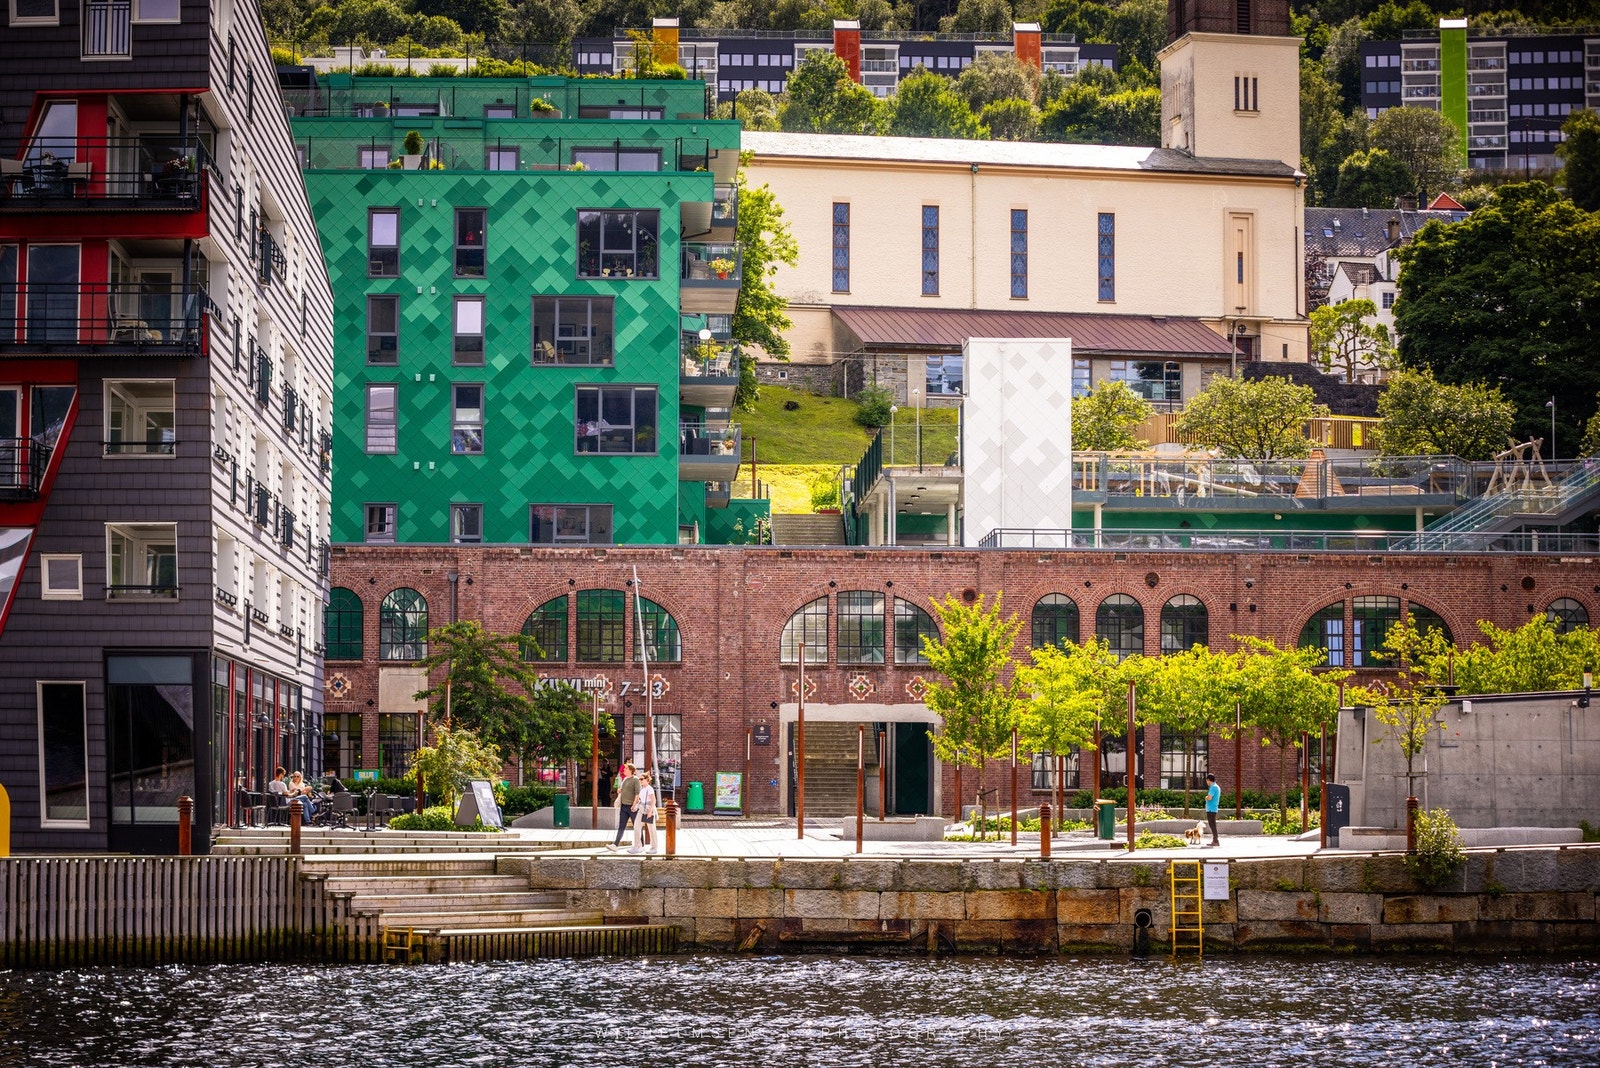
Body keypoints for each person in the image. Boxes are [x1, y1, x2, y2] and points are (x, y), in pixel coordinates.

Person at [608, 763, 637, 851]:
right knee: (621, 826)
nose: (624, 770)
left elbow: (637, 793)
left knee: (637, 826)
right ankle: (615, 844)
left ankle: (641, 844)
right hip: (624, 806)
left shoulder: (635, 780)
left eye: (626, 768)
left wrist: (634, 805)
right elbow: (621, 790)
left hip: (632, 807)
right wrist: (619, 790)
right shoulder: (624, 780)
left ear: (630, 770)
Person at [630, 771, 658, 855]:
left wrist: (650, 812)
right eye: (640, 779)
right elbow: (639, 799)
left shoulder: (650, 789)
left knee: (651, 829)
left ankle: (654, 847)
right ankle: (637, 846)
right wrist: (634, 806)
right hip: (641, 809)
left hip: (649, 809)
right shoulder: (641, 789)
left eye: (642, 779)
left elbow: (653, 800)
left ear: (647, 780)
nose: (640, 780)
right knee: (636, 827)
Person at [1205, 773, 1222, 848]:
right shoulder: (1216, 787)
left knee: (1212, 825)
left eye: (1207, 781)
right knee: (1212, 825)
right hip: (1213, 808)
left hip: (1211, 809)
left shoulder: (1213, 787)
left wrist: (1206, 797)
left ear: (1208, 780)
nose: (1207, 783)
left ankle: (1215, 840)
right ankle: (1215, 840)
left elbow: (1210, 798)